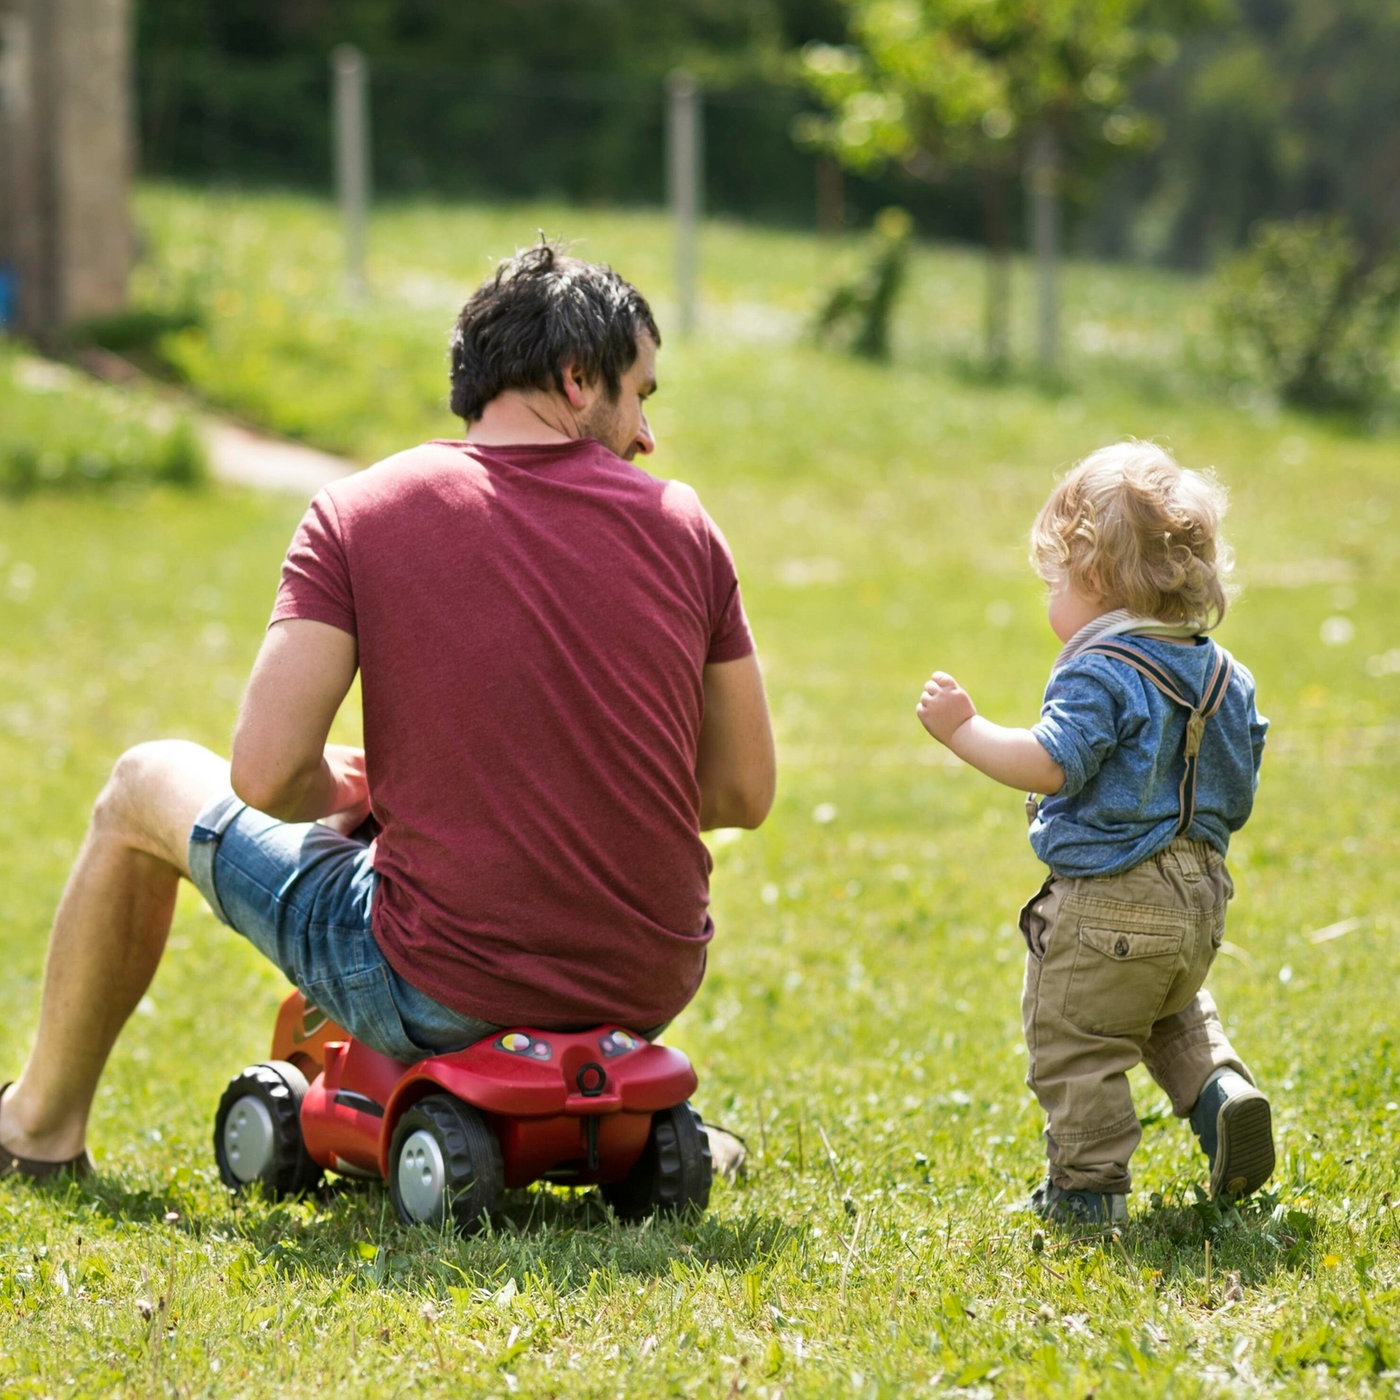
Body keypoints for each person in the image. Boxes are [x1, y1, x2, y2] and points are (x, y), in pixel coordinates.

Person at [0, 242, 775, 1181]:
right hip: (643, 987)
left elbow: (266, 775)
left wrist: (347, 779)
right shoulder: (685, 524)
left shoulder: (360, 511)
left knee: (142, 785)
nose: (647, 434)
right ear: (578, 379)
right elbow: (740, 790)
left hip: (437, 982)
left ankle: (36, 1127)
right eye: (641, 395)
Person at [915, 441, 1274, 1225]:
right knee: (1168, 1012)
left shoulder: (1101, 667)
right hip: (1202, 899)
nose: (1051, 603)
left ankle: (1086, 1191)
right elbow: (1243, 767)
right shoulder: (1226, 674)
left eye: (1056, 583)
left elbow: (1051, 763)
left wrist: (965, 730)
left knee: (1075, 1037)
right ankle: (1221, 1093)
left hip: (1107, 900)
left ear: (1098, 580)